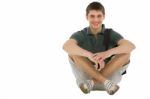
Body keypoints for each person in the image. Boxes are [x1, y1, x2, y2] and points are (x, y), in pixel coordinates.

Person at [63, 1, 135, 95]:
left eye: (99, 16)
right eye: (92, 16)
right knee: (72, 52)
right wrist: (89, 55)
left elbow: (131, 46)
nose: (96, 20)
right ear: (87, 17)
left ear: (103, 17)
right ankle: (100, 80)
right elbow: (66, 46)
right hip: (87, 78)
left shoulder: (110, 33)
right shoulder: (81, 34)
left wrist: (106, 54)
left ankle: (93, 81)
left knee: (126, 53)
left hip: (108, 79)